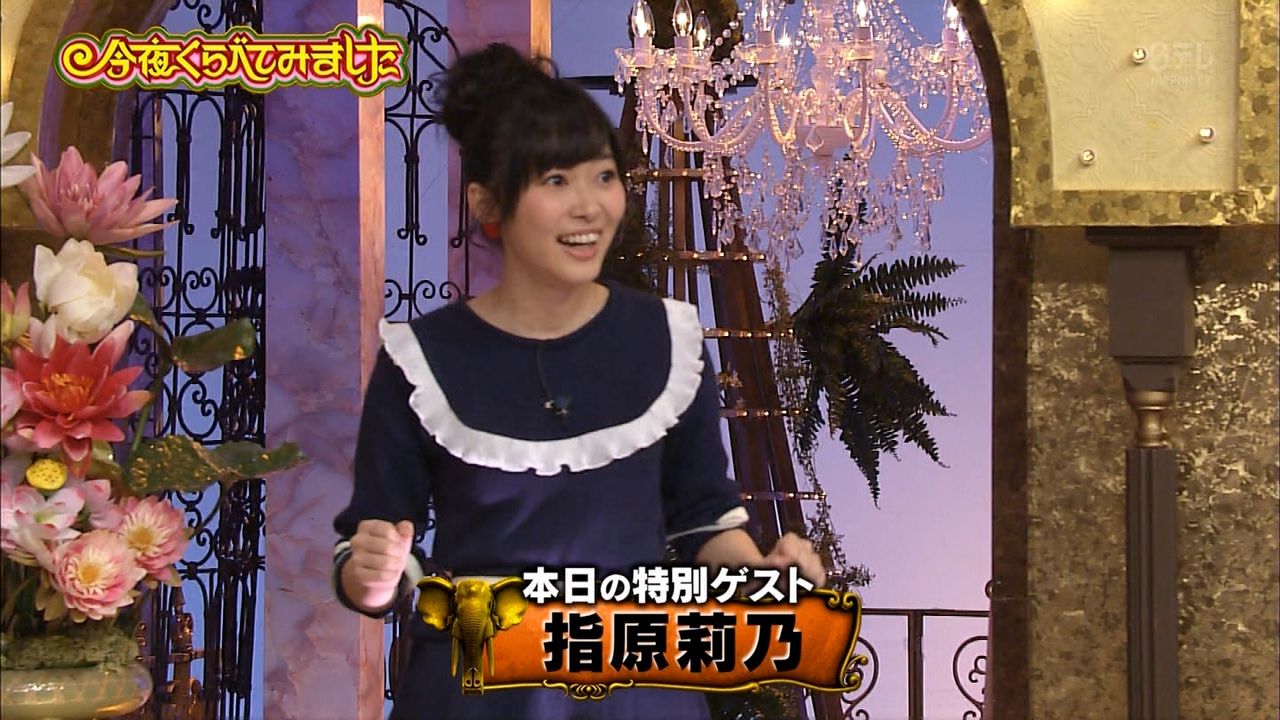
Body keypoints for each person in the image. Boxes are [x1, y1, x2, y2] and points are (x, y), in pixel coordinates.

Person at [332, 42, 826, 720]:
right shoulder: (420, 359)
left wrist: (764, 578)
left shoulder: (666, 340)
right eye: (557, 181)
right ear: (487, 202)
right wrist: (370, 575)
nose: (590, 206)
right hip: (477, 690)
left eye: (603, 177)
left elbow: (703, 520)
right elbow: (370, 547)